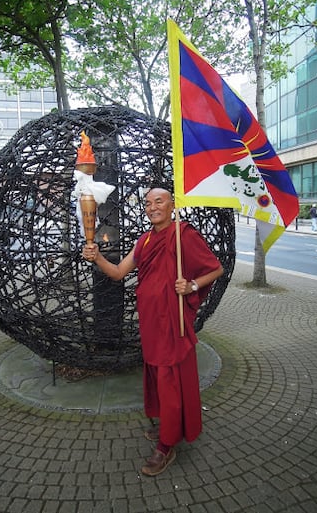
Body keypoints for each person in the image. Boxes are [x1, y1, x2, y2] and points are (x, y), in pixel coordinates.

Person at [82, 187, 224, 476]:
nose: (152, 207)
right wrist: (96, 257)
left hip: (173, 323)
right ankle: (168, 426)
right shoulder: (145, 240)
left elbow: (216, 269)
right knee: (159, 378)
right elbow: (119, 272)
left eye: (159, 201)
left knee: (170, 381)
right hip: (151, 323)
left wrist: (192, 286)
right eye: (147, 203)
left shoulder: (184, 235)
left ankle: (166, 445)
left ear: (172, 205)